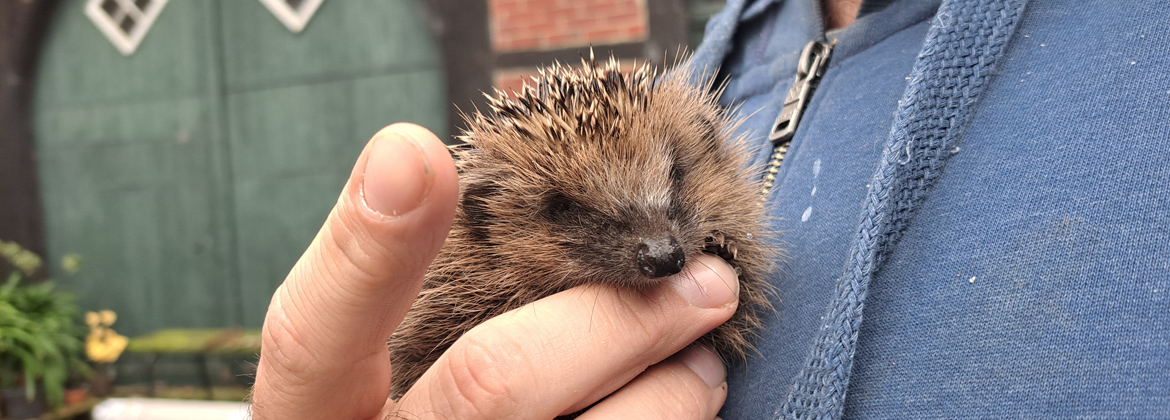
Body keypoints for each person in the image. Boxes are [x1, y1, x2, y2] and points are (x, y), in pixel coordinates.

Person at [251, 0, 1170, 418]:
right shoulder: (714, 72)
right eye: (575, 217)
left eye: (672, 195)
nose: (658, 247)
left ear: (703, 158)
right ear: (486, 223)